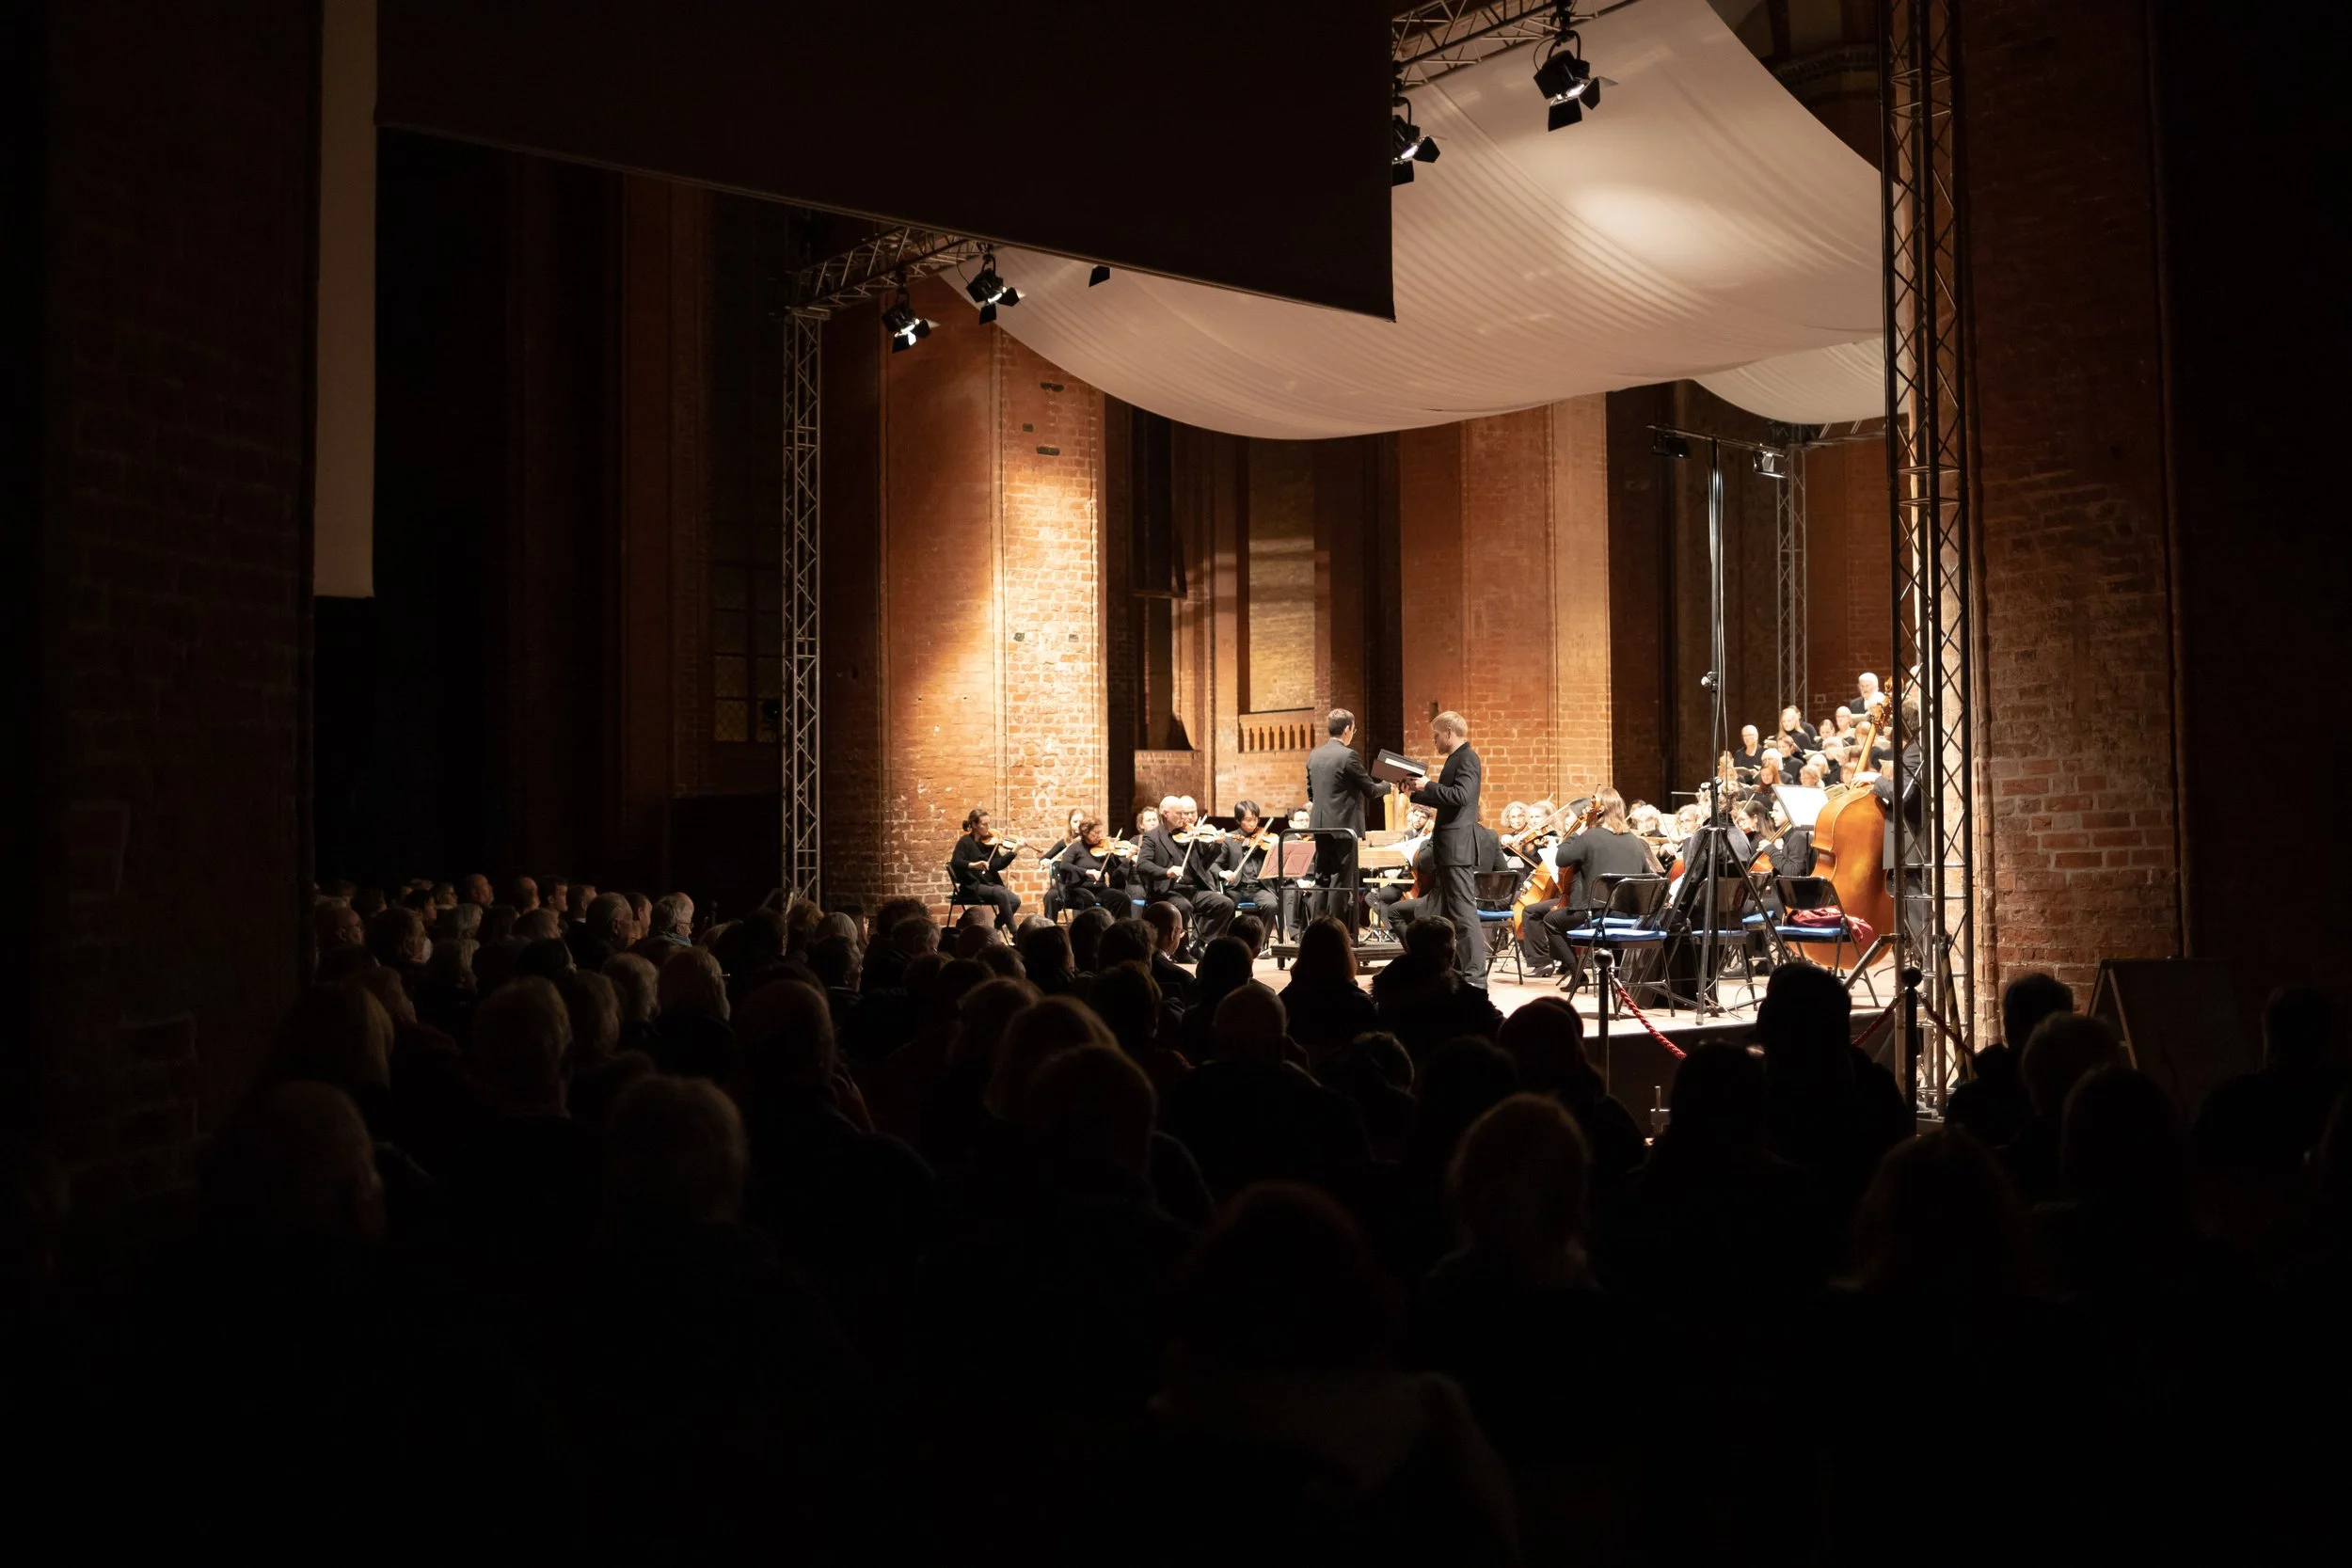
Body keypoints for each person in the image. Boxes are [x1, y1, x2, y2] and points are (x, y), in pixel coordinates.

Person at [1534, 788, 1661, 974]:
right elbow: (1646, 874)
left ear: (1598, 810)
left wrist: (1576, 834)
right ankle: (1615, 974)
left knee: (1551, 920)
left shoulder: (1589, 837)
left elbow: (1561, 858)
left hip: (1595, 913)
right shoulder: (1634, 840)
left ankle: (1577, 973)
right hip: (1628, 915)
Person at [1407, 710, 1486, 990]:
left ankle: (1475, 979)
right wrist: (1415, 792)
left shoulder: (1467, 757)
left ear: (1449, 733)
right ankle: (1447, 971)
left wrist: (1428, 785)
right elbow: (1447, 797)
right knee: (1445, 914)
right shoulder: (1457, 758)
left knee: (1464, 915)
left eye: (1436, 735)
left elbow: (1461, 796)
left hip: (1457, 848)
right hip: (1448, 848)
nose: (1434, 741)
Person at [1305, 708, 1393, 929]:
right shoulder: (1348, 755)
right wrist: (1390, 785)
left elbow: (1310, 793)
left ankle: (1318, 929)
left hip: (1320, 826)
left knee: (1322, 878)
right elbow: (1371, 790)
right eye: (1353, 729)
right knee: (1341, 881)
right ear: (1347, 729)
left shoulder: (1314, 755)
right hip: (1343, 828)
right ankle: (1336, 932)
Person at [1136, 797, 1235, 947]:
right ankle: (1181, 950)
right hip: (1168, 891)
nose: (1184, 818)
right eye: (1179, 814)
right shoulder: (1153, 837)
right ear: (1165, 813)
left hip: (1193, 890)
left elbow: (1203, 865)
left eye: (1185, 814)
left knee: (1225, 903)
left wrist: (1217, 845)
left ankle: (1200, 943)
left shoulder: (1189, 836)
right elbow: (1142, 865)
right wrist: (1167, 872)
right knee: (1184, 906)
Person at [949, 807, 1023, 927]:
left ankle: (995, 928)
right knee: (1001, 892)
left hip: (989, 884)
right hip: (972, 885)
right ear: (974, 824)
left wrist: (1013, 852)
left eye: (989, 823)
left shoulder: (989, 842)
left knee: (1015, 901)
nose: (988, 827)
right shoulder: (965, 842)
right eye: (984, 824)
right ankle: (1015, 933)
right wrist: (973, 865)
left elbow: (997, 865)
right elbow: (955, 862)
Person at [1052, 816, 1129, 915]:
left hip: (1100, 889)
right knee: (1088, 899)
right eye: (1096, 833)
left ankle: (1119, 928)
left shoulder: (1105, 850)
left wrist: (1123, 859)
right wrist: (1086, 872)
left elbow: (1114, 874)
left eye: (1100, 832)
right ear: (1085, 832)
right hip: (1078, 888)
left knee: (1122, 898)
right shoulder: (1076, 847)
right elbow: (1064, 865)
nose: (1100, 836)